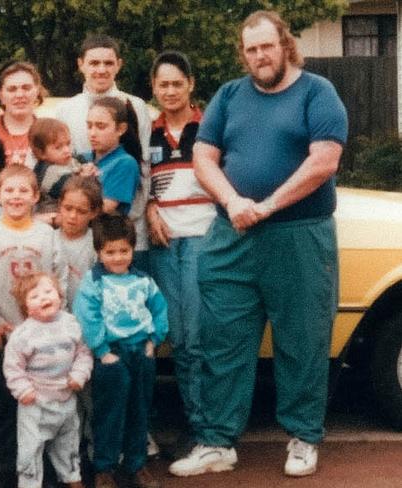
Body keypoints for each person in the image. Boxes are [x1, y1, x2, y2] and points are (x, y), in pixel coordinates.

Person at [168, 10, 348, 478]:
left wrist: (266, 206)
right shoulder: (229, 95)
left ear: (285, 45)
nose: (259, 56)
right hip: (234, 233)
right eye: (251, 49)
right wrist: (232, 201)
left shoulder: (317, 91)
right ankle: (216, 442)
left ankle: (304, 437)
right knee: (221, 338)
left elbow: (324, 161)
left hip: (299, 236)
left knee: (302, 340)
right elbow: (203, 157)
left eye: (267, 46)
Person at [0, 164, 67, 487]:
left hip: (41, 335)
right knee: (3, 405)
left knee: (43, 406)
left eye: (24, 190)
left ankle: (43, 471)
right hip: (4, 335)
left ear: (36, 196)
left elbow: (59, 277)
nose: (16, 196)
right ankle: (3, 471)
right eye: (8, 190)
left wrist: (51, 319)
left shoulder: (47, 235)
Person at [145, 50, 216, 454]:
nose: (170, 91)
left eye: (177, 83)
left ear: (190, 84)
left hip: (201, 238)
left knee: (193, 338)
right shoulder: (146, 131)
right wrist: (151, 206)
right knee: (167, 334)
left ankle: (202, 428)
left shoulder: (209, 128)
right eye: (162, 84)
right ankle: (159, 428)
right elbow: (142, 181)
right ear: (153, 88)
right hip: (162, 241)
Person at [73, 213, 168, 488]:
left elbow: (159, 309)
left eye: (124, 251)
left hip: (141, 351)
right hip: (112, 354)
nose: (117, 258)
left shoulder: (143, 280)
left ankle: (136, 464)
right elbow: (87, 315)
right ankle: (104, 467)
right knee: (109, 412)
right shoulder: (94, 281)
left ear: (132, 249)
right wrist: (102, 350)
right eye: (110, 252)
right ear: (99, 251)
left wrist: (154, 340)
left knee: (140, 409)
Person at [55, 33, 152, 255]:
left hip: (124, 226)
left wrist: (135, 216)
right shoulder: (66, 110)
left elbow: (145, 165)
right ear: (81, 65)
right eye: (94, 63)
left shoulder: (135, 106)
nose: (101, 69)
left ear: (118, 65)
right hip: (76, 224)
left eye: (108, 63)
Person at [3, 272, 93, 488]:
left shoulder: (71, 323)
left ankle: (73, 479)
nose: (44, 298)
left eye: (48, 291)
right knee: (30, 450)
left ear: (59, 295)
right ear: (25, 307)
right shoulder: (23, 334)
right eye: (34, 296)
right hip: (35, 403)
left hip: (66, 398)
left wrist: (79, 374)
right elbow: (12, 367)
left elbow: (83, 353)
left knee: (69, 445)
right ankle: (29, 484)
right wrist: (23, 390)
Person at [0, 61, 47, 167]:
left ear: (37, 91)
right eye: (12, 89)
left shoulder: (50, 133)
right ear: (0, 95)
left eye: (26, 88)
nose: (20, 95)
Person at [87, 97, 140, 216]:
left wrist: (58, 217)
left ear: (121, 129)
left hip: (106, 232)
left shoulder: (125, 163)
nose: (92, 133)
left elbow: (105, 209)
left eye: (101, 126)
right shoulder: (83, 157)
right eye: (89, 126)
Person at [55, 175, 102, 307]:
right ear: (60, 205)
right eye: (68, 208)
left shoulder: (97, 243)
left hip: (88, 312)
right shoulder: (49, 239)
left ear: (93, 213)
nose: (72, 216)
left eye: (81, 211)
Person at [28, 117, 84, 217]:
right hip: (54, 217)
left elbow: (79, 160)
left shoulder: (65, 159)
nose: (66, 150)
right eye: (59, 147)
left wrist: (87, 166)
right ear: (41, 153)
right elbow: (69, 189)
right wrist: (84, 176)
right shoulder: (47, 172)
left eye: (68, 144)